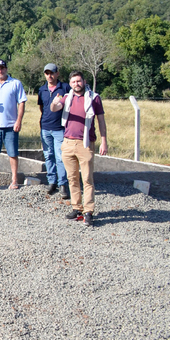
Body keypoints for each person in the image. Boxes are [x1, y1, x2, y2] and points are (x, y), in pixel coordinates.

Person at [50, 72, 108, 226]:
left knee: (87, 179)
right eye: (73, 81)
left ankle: (88, 211)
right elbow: (55, 108)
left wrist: (104, 141)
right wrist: (54, 102)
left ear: (84, 82)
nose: (76, 84)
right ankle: (77, 208)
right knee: (72, 178)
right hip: (68, 143)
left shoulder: (94, 98)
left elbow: (101, 120)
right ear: (70, 83)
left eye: (79, 81)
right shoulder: (67, 98)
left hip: (85, 143)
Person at [0, 59, 27, 189]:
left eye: (2, 68)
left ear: (6, 69)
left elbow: (22, 102)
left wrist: (18, 121)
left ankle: (14, 180)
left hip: (11, 125)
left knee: (12, 153)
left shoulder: (15, 83)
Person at [37, 63, 72, 200]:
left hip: (60, 128)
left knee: (60, 157)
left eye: (52, 73)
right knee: (48, 156)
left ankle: (63, 184)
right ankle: (52, 182)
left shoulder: (65, 88)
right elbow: (42, 108)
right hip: (45, 127)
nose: (49, 76)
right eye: (47, 73)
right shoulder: (42, 90)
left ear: (57, 73)